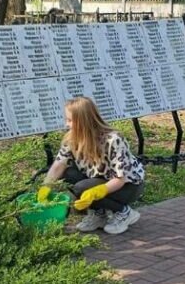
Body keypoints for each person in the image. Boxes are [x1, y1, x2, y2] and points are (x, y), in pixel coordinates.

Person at [38, 97, 146, 235]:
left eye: (70, 120)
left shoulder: (113, 139)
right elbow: (59, 163)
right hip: (100, 178)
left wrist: (96, 192)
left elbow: (120, 178)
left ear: (84, 120)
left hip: (128, 186)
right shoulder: (72, 138)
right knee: (68, 174)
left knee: (81, 188)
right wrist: (46, 186)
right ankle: (99, 214)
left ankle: (124, 213)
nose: (67, 124)